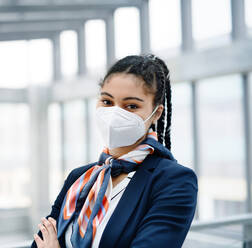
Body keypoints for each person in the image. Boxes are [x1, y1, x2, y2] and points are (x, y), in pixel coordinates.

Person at [31, 54, 198, 248]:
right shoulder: (79, 178)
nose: (115, 113)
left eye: (131, 106)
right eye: (107, 102)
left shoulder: (174, 181)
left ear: (156, 113)